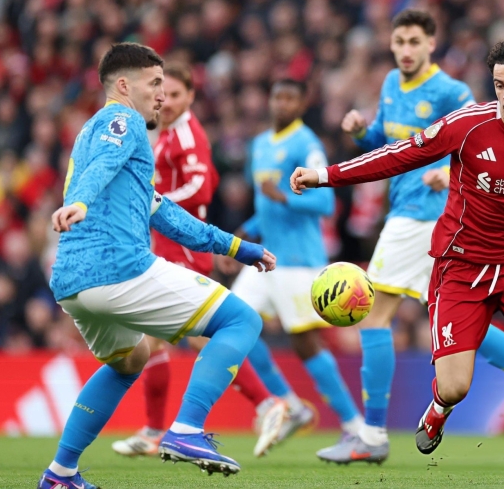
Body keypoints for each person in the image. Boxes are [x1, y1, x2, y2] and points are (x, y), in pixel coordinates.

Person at [291, 37, 504, 484]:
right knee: (455, 386)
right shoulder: (469, 124)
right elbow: (398, 156)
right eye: (499, 85)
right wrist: (326, 176)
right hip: (460, 267)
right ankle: (438, 410)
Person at [38, 43, 276, 489]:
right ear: (124, 86)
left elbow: (164, 213)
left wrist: (238, 247)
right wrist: (80, 202)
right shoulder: (122, 121)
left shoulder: (92, 134)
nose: (161, 96)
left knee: (132, 360)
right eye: (154, 85)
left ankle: (60, 474)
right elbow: (102, 169)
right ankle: (186, 429)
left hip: (72, 283)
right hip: (117, 268)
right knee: (240, 319)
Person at [318, 10, 504, 464]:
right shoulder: (390, 84)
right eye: (398, 41)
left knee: (373, 316)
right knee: (463, 325)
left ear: (430, 45)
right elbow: (390, 145)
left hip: (423, 217)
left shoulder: (452, 92)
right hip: (417, 218)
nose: (405, 49)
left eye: (413, 41)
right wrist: (362, 131)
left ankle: (372, 434)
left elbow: (479, 145)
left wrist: (447, 177)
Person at [110, 62, 287, 460]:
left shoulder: (188, 135)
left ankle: (266, 403)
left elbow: (201, 185)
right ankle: (157, 428)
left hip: (184, 249)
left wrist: (153, 201)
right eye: (163, 94)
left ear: (190, 96)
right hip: (164, 245)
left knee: (199, 335)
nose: (167, 102)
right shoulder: (165, 134)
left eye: (175, 95)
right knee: (155, 337)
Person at [219, 78, 365, 449]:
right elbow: (264, 208)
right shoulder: (260, 144)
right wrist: (240, 236)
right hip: (265, 257)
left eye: (290, 98)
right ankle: (291, 405)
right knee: (231, 325)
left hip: (298, 261)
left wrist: (283, 197)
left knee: (305, 344)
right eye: (277, 96)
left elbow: (325, 204)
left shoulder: (306, 144)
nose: (281, 103)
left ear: (301, 104)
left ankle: (354, 425)